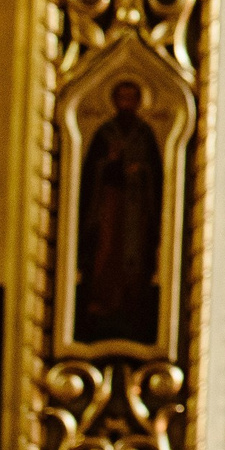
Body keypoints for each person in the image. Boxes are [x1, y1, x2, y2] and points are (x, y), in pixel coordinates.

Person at [76, 80, 165, 345]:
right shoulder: (105, 133)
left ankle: (131, 304)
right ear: (115, 101)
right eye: (122, 98)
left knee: (134, 255)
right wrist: (110, 164)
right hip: (109, 206)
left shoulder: (144, 133)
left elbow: (156, 174)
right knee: (107, 251)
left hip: (136, 208)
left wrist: (141, 171)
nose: (127, 103)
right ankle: (102, 302)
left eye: (131, 98)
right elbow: (92, 172)